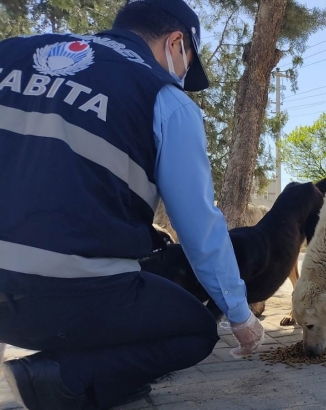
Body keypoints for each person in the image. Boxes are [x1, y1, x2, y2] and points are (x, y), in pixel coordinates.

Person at [0, 0, 264, 409]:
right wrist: (239, 314)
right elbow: (200, 229)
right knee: (195, 329)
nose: (180, 76)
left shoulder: (13, 51)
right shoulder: (165, 100)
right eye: (186, 64)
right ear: (176, 43)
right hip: (65, 299)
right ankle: (52, 379)